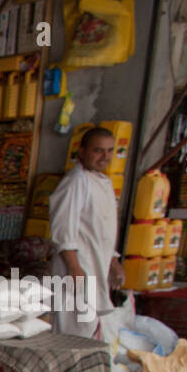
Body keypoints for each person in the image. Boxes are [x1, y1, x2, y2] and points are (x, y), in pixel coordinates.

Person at [49, 126, 125, 337]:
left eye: (109, 151)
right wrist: (74, 268)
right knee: (74, 329)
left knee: (92, 328)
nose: (105, 156)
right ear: (82, 151)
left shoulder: (103, 182)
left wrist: (114, 262)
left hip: (97, 267)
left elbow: (102, 231)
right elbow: (63, 229)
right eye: (98, 150)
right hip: (77, 269)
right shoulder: (76, 182)